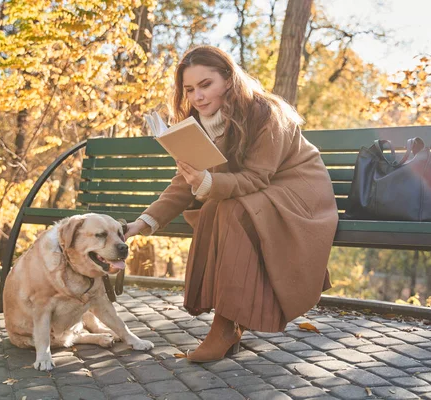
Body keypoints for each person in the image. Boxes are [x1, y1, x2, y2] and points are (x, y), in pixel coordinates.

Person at [125, 45, 338, 363]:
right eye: (190, 89)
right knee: (220, 206)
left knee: (229, 208)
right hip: (251, 196)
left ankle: (224, 328)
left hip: (299, 195)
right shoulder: (198, 124)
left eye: (205, 84)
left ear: (228, 78)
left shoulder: (266, 113)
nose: (197, 96)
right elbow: (184, 184)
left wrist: (207, 183)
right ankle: (231, 323)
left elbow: (256, 177)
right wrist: (141, 223)